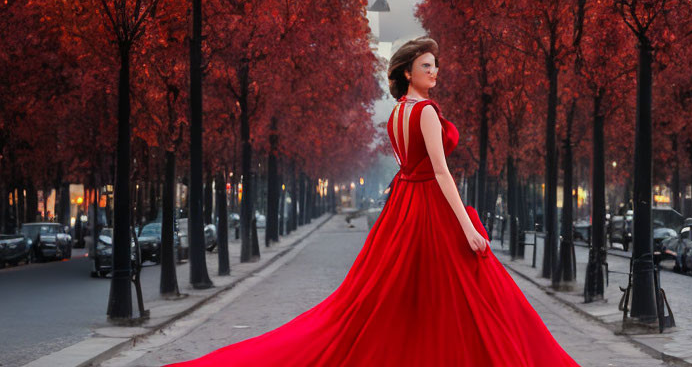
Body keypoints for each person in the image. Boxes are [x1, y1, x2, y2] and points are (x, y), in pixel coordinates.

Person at [164, 37, 581, 366]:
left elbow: (408, 166)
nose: (434, 72)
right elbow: (439, 171)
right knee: (470, 294)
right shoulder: (428, 112)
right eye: (425, 66)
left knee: (398, 296)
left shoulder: (396, 114)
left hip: (403, 208)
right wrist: (467, 225)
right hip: (430, 208)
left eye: (435, 65)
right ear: (406, 71)